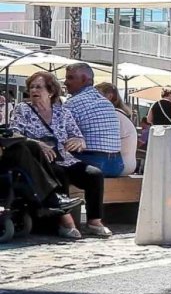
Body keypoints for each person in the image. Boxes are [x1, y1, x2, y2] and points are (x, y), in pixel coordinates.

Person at [11, 72, 110, 238]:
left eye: (39, 87)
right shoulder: (23, 109)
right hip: (41, 159)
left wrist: (79, 141)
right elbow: (15, 133)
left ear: (50, 91)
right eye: (32, 87)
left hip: (65, 158)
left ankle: (94, 222)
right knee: (59, 174)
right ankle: (65, 224)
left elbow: (77, 135)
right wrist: (37, 143)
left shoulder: (62, 112)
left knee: (94, 174)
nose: (34, 90)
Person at [62, 63, 125, 178]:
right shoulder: (106, 102)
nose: (65, 82)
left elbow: (59, 135)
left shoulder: (72, 103)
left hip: (94, 161)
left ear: (84, 79)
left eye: (70, 78)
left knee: (54, 165)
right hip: (117, 164)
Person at [95, 82, 138, 175]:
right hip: (128, 163)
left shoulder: (113, 115)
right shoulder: (121, 114)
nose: (92, 99)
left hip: (120, 164)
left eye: (97, 95)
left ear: (109, 96)